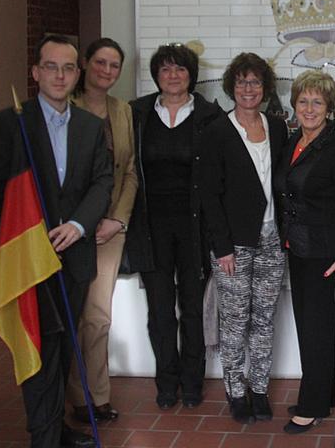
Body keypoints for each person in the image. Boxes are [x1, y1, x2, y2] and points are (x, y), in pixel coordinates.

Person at [0, 34, 113, 448]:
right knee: (38, 345)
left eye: (68, 67)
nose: (60, 75)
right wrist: (26, 237)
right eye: (51, 66)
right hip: (29, 256)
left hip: (73, 254)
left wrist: (77, 225)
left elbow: (102, 183)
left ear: (78, 75)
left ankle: (55, 427)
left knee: (63, 342)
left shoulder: (92, 127)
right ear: (36, 71)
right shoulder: (11, 122)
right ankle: (43, 436)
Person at [125, 43, 223, 410]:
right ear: (156, 76)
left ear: (191, 75)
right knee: (160, 310)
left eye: (180, 69)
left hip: (195, 229)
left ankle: (192, 381)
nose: (173, 75)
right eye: (165, 69)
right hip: (151, 228)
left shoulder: (210, 116)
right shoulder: (137, 114)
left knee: (194, 309)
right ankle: (166, 382)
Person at [204, 52, 288, 423]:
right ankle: (236, 391)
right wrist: (221, 247)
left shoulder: (278, 126)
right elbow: (208, 194)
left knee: (264, 319)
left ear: (265, 87)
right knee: (236, 321)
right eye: (241, 82)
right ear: (231, 87)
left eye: (254, 82)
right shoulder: (217, 131)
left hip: (273, 240)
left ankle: (258, 388)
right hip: (233, 245)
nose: (248, 88)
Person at [66, 38, 138, 423]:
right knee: (70, 313)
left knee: (97, 316)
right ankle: (73, 395)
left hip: (110, 228)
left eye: (114, 66)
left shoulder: (121, 110)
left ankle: (97, 395)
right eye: (100, 63)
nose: (107, 72)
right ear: (85, 65)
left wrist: (118, 219)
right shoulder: (65, 107)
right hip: (69, 229)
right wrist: (78, 222)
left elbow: (128, 171)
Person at [274, 70, 335, 434]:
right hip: (297, 248)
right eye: (303, 101)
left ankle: (312, 404)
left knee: (317, 328)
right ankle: (322, 395)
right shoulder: (292, 143)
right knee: (309, 326)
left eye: (317, 102)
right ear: (294, 105)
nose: (310, 108)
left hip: (324, 253)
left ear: (329, 108)